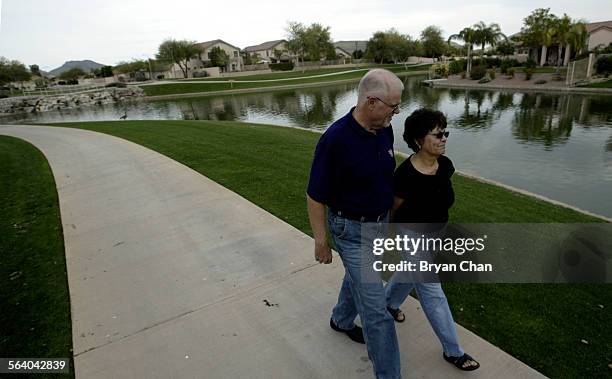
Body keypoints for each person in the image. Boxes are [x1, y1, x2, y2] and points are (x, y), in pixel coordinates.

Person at [306, 69, 404, 379]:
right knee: (377, 313)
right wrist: (321, 241)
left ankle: (341, 320)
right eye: (393, 105)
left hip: (379, 224)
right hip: (351, 232)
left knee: (360, 279)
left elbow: (384, 174)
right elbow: (314, 195)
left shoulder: (384, 128)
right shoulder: (335, 140)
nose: (397, 111)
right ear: (371, 101)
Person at [384, 108, 480, 371]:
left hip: (436, 232)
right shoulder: (405, 175)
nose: (444, 138)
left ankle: (388, 303)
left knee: (409, 271)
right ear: (418, 140)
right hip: (411, 234)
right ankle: (453, 351)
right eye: (437, 134)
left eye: (445, 132)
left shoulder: (445, 166)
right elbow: (394, 208)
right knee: (431, 290)